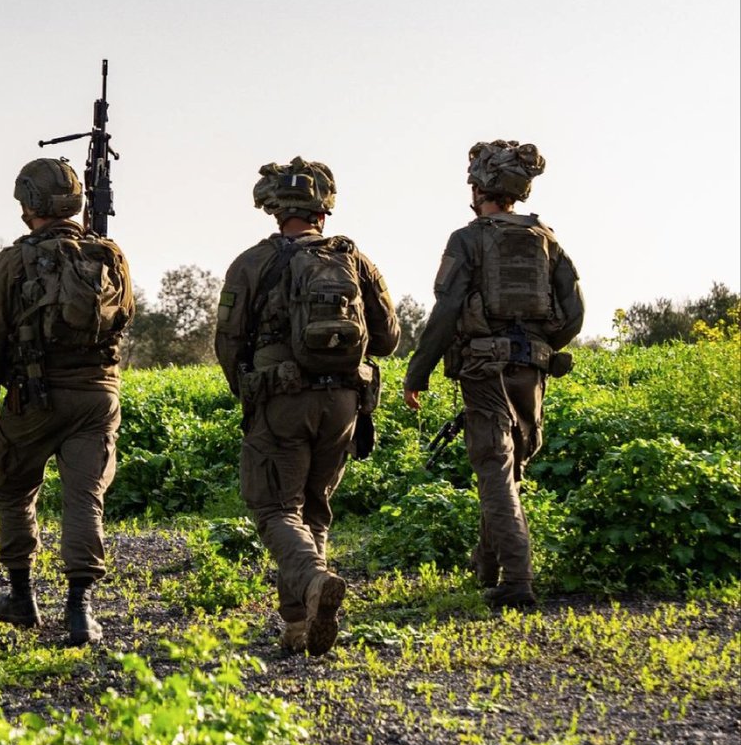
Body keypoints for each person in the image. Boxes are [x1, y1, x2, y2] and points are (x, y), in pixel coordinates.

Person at [215, 158, 399, 656]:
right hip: (343, 401)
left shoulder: (253, 262)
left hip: (282, 398)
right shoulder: (354, 260)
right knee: (313, 508)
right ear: (324, 206)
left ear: (274, 207)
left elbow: (228, 342)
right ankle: (298, 625)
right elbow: (388, 338)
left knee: (275, 507)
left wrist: (250, 391)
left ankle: (315, 583)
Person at [403, 140, 584, 609]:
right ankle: (486, 565)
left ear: (478, 188)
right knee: (510, 468)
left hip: (485, 370)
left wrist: (417, 373)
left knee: (494, 469)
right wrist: (540, 347)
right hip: (534, 368)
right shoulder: (548, 238)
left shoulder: (468, 239)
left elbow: (446, 310)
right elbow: (574, 313)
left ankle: (518, 580)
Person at [0, 158, 134, 646]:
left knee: (15, 487)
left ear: (29, 205)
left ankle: (21, 596)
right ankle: (80, 609)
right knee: (86, 498)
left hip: (32, 396)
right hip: (98, 396)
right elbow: (124, 315)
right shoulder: (110, 255)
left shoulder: (11, 262)